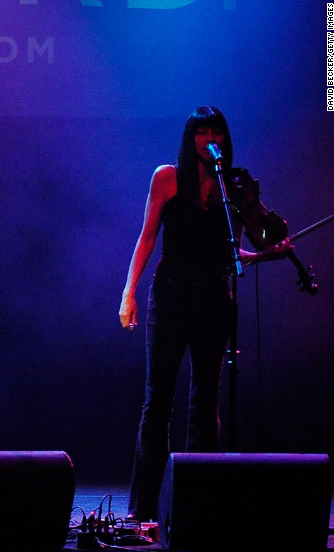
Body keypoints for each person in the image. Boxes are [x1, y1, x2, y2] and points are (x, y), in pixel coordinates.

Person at [117, 106, 291, 521]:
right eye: (201, 131)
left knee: (205, 398)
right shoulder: (167, 177)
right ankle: (142, 508)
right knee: (158, 401)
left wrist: (269, 254)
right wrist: (129, 293)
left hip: (215, 298)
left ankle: (197, 505)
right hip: (171, 296)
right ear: (189, 136)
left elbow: (233, 255)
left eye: (216, 131)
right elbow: (147, 238)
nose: (209, 137)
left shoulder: (232, 188)